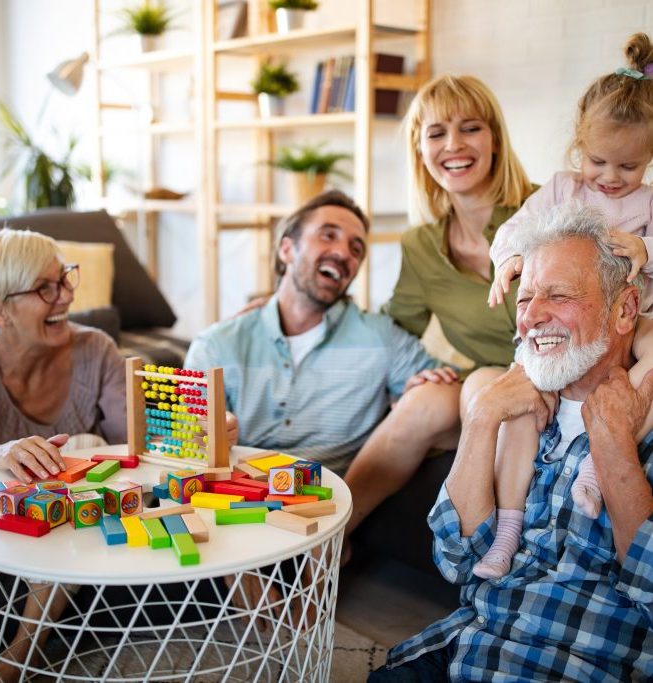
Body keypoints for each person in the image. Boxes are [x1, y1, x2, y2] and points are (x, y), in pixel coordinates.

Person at [370, 202, 653, 681]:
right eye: (524, 300)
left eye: (559, 295)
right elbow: (456, 560)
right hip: (466, 647)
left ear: (626, 309)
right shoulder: (518, 411)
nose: (533, 317)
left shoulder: (643, 418)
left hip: (578, 666)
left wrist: (613, 447)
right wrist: (482, 417)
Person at [476, 32, 653, 579]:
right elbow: (512, 231)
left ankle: (600, 469)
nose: (610, 177)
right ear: (579, 148)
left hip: (629, 321)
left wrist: (646, 253)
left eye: (628, 167)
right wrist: (510, 261)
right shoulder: (560, 190)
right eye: (599, 161)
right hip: (561, 330)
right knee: (522, 408)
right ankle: (506, 531)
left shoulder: (649, 204)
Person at [342, 73, 534, 537]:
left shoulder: (546, 208)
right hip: (486, 379)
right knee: (422, 401)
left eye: (470, 128)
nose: (454, 145)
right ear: (420, 150)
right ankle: (328, 542)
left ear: (494, 139)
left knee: (483, 395)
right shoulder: (421, 246)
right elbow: (393, 326)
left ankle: (487, 552)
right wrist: (287, 304)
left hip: (556, 374)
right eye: (436, 133)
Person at [184, 189, 439, 475]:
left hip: (336, 510)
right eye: (328, 235)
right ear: (287, 250)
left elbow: (447, 400)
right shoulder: (216, 345)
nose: (344, 252)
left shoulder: (383, 340)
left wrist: (418, 396)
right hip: (232, 506)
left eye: (356, 249)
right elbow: (186, 436)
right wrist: (208, 430)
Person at [0, 227, 127, 683]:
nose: (64, 298)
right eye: (44, 288)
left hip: (72, 531)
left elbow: (136, 448)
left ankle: (20, 655)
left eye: (65, 279)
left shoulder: (97, 349)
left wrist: (199, 430)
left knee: (87, 450)